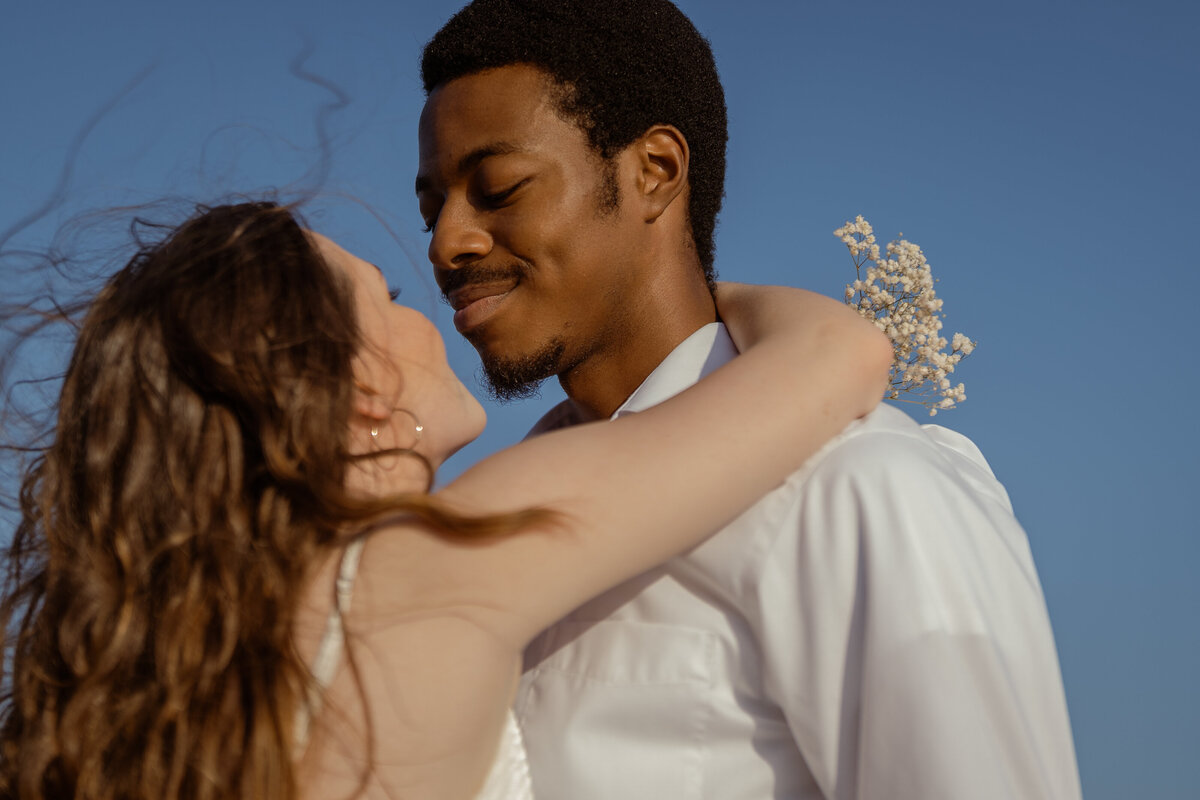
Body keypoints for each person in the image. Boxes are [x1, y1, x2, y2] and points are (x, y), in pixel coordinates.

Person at [0, 200, 890, 800]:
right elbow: (836, 356)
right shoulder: (413, 574)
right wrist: (668, 294)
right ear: (360, 393)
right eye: (382, 301)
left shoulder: (180, 680)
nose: (421, 306)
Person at [417, 1, 1083, 798]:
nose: (446, 241)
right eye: (433, 207)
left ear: (654, 172)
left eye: (499, 189)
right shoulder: (479, 544)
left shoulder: (860, 488)